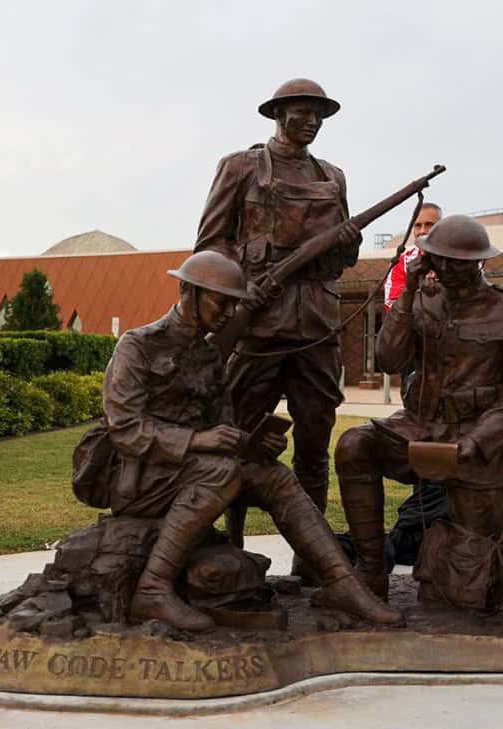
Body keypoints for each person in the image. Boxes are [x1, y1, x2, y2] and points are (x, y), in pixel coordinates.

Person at [98, 251, 401, 632]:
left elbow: (223, 427)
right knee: (222, 472)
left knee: (273, 474)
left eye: (234, 304)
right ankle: (153, 588)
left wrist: (251, 444)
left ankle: (341, 583)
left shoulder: (209, 355)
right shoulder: (138, 346)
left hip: (193, 470)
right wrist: (198, 440)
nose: (229, 312)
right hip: (143, 477)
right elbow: (125, 429)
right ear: (187, 292)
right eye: (220, 301)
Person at [194, 79, 361, 580]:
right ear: (279, 114)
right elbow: (210, 246)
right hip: (257, 327)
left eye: (319, 114)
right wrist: (245, 285)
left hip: (316, 328)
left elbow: (343, 259)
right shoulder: (242, 167)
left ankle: (312, 561)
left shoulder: (333, 176)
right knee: (238, 439)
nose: (311, 121)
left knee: (315, 446)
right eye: (302, 112)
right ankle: (230, 548)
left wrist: (344, 242)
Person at [334, 215, 503, 607]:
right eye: (438, 260)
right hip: (417, 427)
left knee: (465, 589)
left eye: (456, 263)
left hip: (478, 440)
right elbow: (388, 359)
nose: (446, 269)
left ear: (480, 262)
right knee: (354, 445)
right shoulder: (422, 300)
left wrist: (475, 443)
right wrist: (408, 290)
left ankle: (460, 569)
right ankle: (371, 571)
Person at [382, 202, 442, 309]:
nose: (422, 231)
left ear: (442, 227)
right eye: (418, 226)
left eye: (429, 225)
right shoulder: (400, 263)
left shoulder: (463, 257)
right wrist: (410, 288)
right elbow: (392, 307)